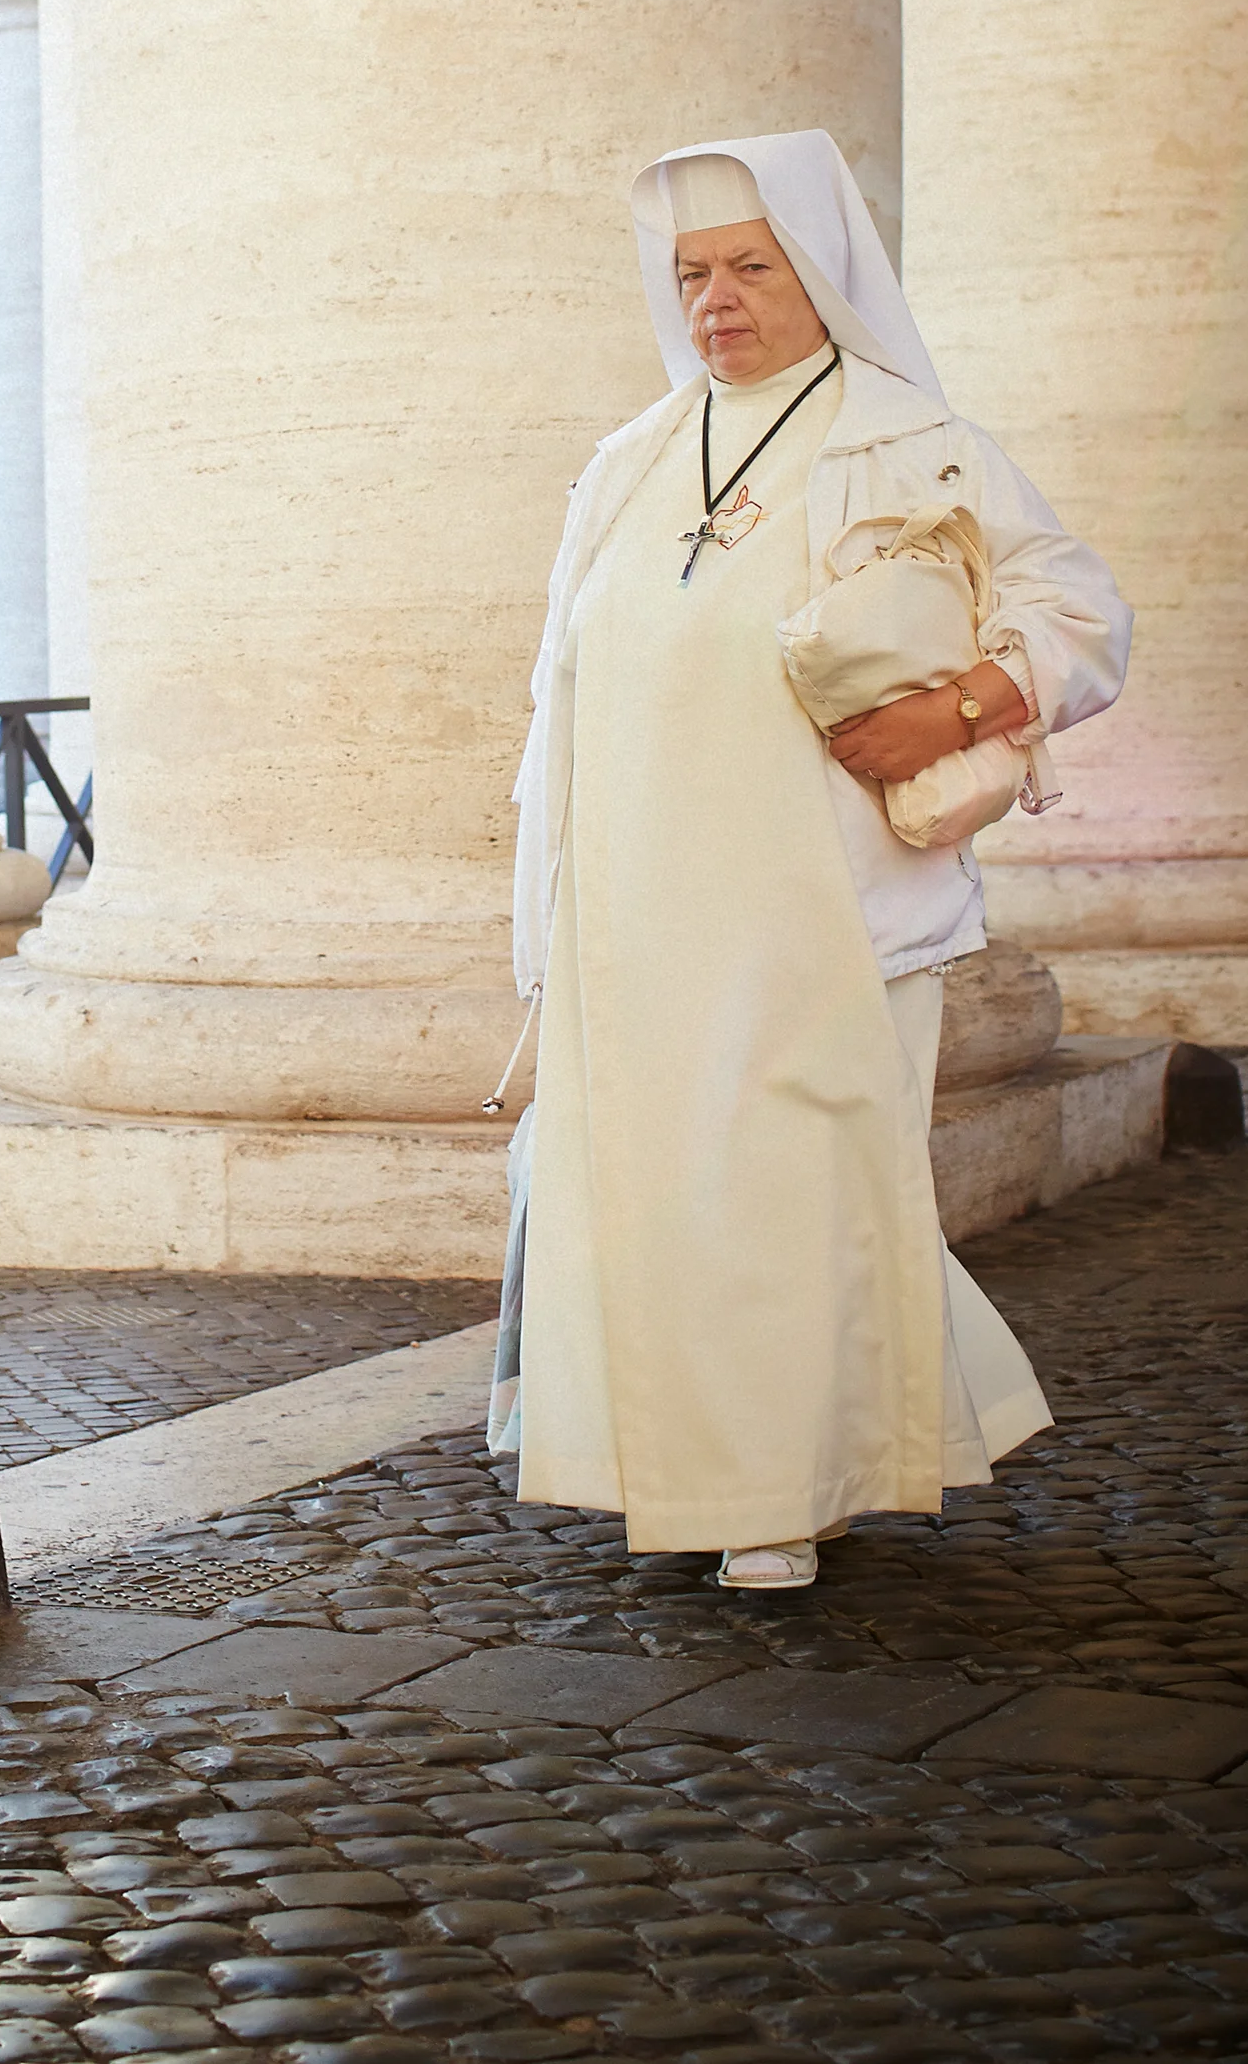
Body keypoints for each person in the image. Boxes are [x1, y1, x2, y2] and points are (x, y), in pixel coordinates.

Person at [487, 131, 1131, 1589]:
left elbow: (1083, 612)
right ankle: (697, 1470)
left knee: (790, 1191)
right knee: (668, 1201)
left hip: (817, 908)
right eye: (691, 274)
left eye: (749, 268)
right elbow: (565, 692)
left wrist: (959, 710)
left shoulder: (911, 438)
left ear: (821, 271)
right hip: (636, 911)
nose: (715, 300)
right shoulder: (630, 461)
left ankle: (779, 1492)